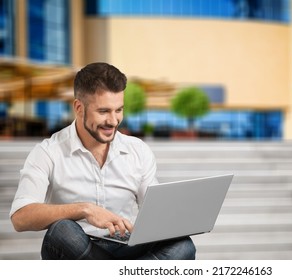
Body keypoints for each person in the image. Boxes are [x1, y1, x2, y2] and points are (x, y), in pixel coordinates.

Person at [9, 62, 196, 260]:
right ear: (79, 108)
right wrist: (85, 209)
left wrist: (176, 218)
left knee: (182, 245)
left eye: (119, 110)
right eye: (104, 111)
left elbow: (154, 213)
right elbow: (20, 217)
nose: (114, 121)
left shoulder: (138, 150)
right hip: (78, 248)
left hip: (127, 246)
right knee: (62, 232)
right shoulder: (48, 152)